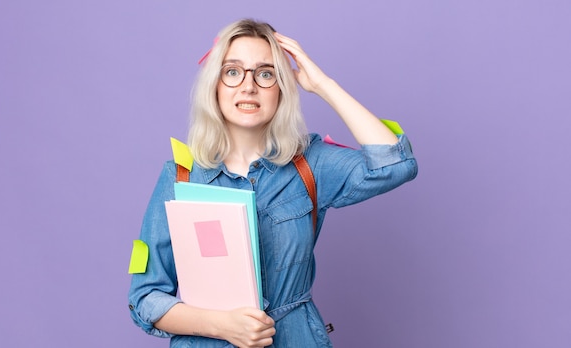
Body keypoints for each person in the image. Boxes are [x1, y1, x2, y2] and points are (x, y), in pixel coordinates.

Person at [128, 18, 418, 347]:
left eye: (265, 74)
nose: (248, 86)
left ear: (282, 87)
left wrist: (322, 84)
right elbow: (146, 298)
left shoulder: (311, 163)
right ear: (215, 85)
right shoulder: (179, 176)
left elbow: (396, 164)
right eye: (233, 71)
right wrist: (221, 325)